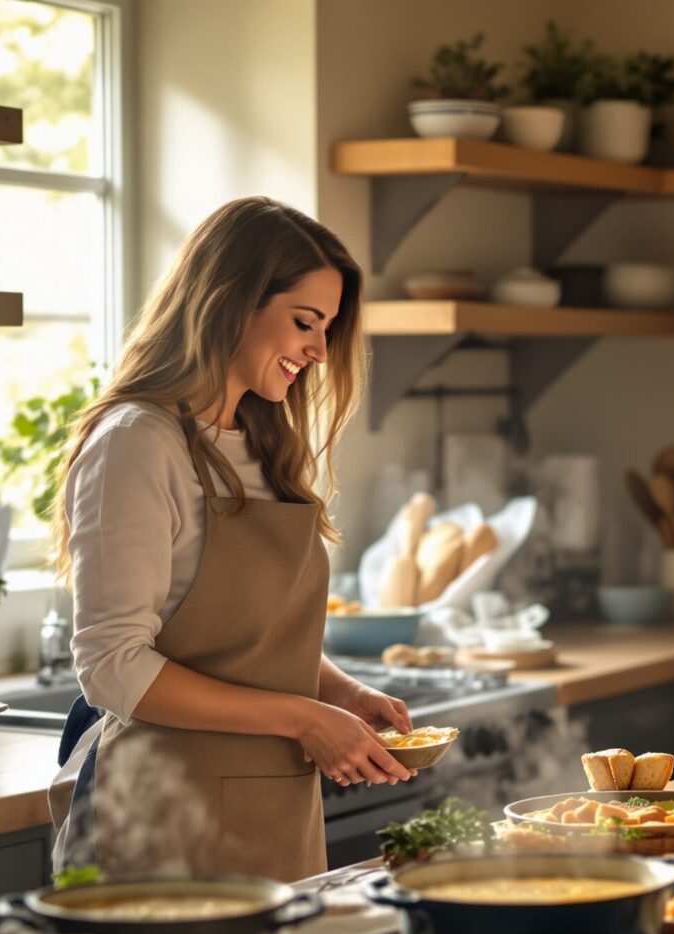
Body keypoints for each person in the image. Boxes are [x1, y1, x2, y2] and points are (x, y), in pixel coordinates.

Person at [47, 196, 414, 884]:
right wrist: (303, 719)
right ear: (228, 301)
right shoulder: (137, 443)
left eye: (327, 329)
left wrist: (337, 694)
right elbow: (113, 666)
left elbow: (252, 642)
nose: (316, 348)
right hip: (163, 820)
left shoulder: (265, 444)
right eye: (304, 321)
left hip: (274, 812)